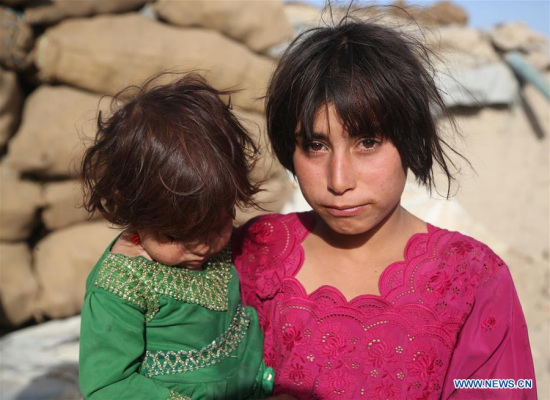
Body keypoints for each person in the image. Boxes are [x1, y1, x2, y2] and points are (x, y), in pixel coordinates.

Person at [232, 18, 537, 399]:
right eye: (315, 145)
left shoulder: (473, 278)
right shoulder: (254, 253)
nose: (339, 180)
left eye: (368, 142)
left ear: (409, 138)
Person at [79, 74, 275, 400]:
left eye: (216, 226)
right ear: (135, 214)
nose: (201, 246)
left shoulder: (229, 246)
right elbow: (107, 386)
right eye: (175, 236)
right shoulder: (120, 287)